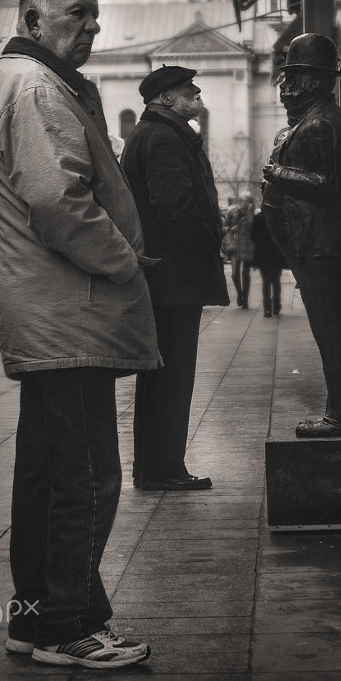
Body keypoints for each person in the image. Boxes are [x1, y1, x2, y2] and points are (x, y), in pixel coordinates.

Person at [0, 0, 159, 671]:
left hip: (50, 314)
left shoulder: (21, 84)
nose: (92, 27)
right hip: (66, 314)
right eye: (77, 14)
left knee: (50, 476)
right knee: (84, 477)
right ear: (32, 16)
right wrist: (126, 260)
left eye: (95, 16)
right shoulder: (36, 89)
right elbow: (58, 204)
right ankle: (65, 627)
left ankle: (35, 620)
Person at [121, 64, 229, 491]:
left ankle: (155, 467)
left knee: (160, 374)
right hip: (174, 278)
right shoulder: (164, 138)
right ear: (165, 98)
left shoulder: (153, 135)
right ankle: (164, 468)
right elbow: (176, 208)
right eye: (188, 89)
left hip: (164, 276)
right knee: (172, 376)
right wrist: (208, 242)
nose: (197, 93)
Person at [262, 33, 341, 437]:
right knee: (334, 330)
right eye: (287, 77)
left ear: (319, 81)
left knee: (332, 332)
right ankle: (340, 414)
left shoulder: (322, 122)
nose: (286, 88)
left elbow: (328, 184)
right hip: (314, 243)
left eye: (297, 77)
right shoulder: (313, 119)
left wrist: (278, 173)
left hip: (323, 243)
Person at [250, 205, 285, 317]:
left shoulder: (258, 218)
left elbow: (253, 238)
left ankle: (267, 308)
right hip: (276, 254)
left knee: (266, 281)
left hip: (262, 255)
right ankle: (276, 305)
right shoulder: (278, 218)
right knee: (276, 281)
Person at [226, 193, 255, 308]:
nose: (243, 203)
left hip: (247, 246)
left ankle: (246, 300)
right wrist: (231, 229)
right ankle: (239, 294)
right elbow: (223, 228)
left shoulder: (252, 215)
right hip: (235, 247)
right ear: (239, 202)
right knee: (234, 274)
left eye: (246, 201)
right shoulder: (232, 213)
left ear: (249, 203)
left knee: (245, 274)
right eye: (242, 201)